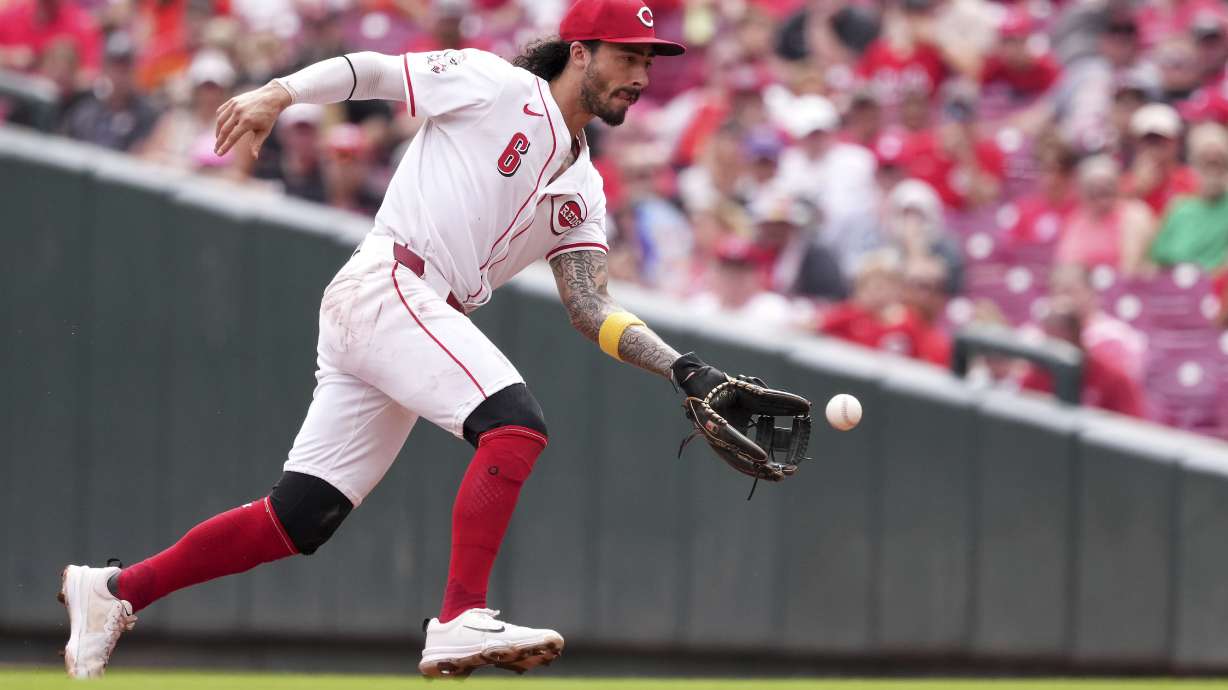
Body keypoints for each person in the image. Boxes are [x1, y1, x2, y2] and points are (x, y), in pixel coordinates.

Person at [54, 0, 767, 680]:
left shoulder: (582, 186)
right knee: (515, 426)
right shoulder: (498, 86)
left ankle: (116, 590)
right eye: (627, 55)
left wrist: (684, 369)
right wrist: (279, 92)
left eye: (649, 59)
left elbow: (589, 305)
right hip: (391, 283)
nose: (641, 75)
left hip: (407, 313)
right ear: (580, 53)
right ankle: (458, 616)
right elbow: (372, 70)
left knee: (299, 517)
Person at [1055, 154, 1156, 277]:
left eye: (1107, 183)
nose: (1100, 189)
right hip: (1085, 289)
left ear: (1117, 185)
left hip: (1126, 288)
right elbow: (1066, 266)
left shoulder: (1135, 214)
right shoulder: (1075, 221)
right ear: (1082, 191)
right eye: (1093, 186)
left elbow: (1131, 270)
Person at [1150, 121, 1228, 271]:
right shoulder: (1179, 209)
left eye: (1218, 160)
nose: (1212, 160)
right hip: (1179, 289)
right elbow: (1157, 264)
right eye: (1205, 159)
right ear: (1193, 162)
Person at [1121, 102, 1198, 215]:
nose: (1155, 147)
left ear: (1177, 142)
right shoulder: (1124, 185)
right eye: (1148, 140)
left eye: (1161, 140)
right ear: (1136, 143)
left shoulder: (1191, 180)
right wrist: (1137, 190)